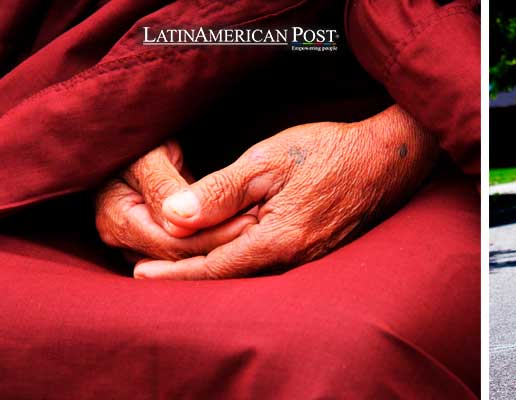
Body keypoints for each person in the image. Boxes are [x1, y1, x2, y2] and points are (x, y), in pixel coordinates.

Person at [0, 0, 480, 397]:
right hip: (60, 162)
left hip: (404, 117)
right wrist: (113, 132)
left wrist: (400, 140)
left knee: (335, 357)